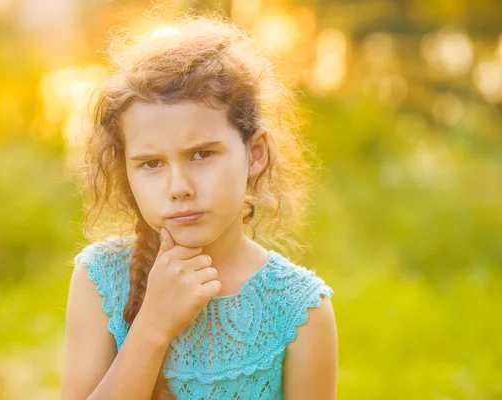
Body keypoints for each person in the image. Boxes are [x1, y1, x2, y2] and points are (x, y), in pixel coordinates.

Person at [62, 10, 337, 400]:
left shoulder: (299, 310)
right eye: (152, 163)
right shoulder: (101, 279)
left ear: (254, 153)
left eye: (201, 154)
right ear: (127, 170)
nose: (179, 188)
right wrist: (152, 327)